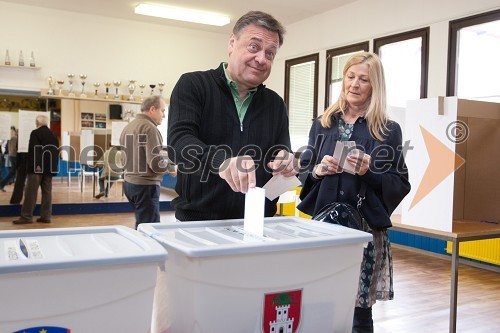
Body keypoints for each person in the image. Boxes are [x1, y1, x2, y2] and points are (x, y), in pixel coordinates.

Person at [297, 52, 411, 333]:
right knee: (320, 302)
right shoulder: (322, 124)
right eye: (350, 77)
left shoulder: (387, 130)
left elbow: (400, 183)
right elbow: (305, 169)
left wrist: (368, 171)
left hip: (363, 232)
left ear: (375, 86)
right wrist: (318, 170)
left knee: (359, 313)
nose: (355, 84)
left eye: (364, 79)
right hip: (324, 228)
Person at [168, 11, 298, 222]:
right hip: (198, 223)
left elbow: (281, 149)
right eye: (254, 47)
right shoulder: (193, 85)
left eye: (270, 53)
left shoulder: (275, 103)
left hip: (259, 223)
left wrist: (286, 159)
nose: (261, 59)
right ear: (232, 43)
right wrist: (222, 161)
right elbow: (179, 144)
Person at [120, 95, 175, 228]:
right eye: (162, 111)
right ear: (152, 109)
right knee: (150, 228)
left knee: (142, 224)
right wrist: (171, 168)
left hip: (129, 184)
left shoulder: (129, 126)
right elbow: (156, 163)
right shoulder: (150, 128)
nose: (163, 116)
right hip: (145, 187)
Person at [13, 114, 59, 224]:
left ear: (37, 123)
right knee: (47, 193)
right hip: (49, 169)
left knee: (31, 193)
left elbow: (34, 152)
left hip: (36, 169)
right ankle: (46, 216)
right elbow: (55, 153)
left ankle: (26, 217)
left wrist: (32, 168)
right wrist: (52, 169)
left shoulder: (35, 133)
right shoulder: (53, 135)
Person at [0, 126, 18, 192]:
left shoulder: (10, 138)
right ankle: (2, 184)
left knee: (13, 172)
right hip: (14, 156)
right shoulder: (14, 138)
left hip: (11, 156)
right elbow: (13, 149)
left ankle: (2, 184)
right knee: (14, 172)